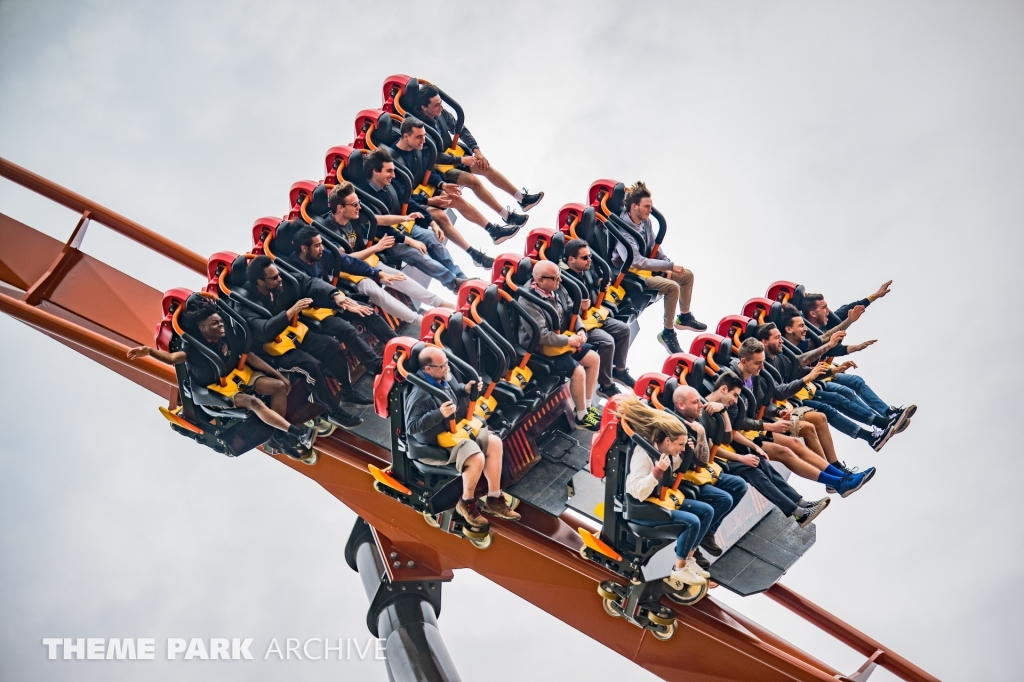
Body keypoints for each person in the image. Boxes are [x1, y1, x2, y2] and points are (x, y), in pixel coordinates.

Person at [127, 298, 315, 458]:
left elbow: (247, 356)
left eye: (220, 322)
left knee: (278, 386)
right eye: (215, 324)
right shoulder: (193, 348)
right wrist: (149, 351)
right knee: (253, 402)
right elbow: (172, 358)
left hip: (238, 375)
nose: (221, 326)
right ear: (202, 328)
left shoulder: (227, 335)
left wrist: (278, 375)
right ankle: (296, 433)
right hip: (217, 391)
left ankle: (279, 434)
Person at [727, 338, 873, 498]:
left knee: (805, 433)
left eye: (762, 362)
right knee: (788, 449)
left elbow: (766, 402)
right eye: (758, 363)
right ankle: (837, 481)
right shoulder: (731, 381)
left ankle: (839, 477)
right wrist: (771, 425)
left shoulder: (756, 374)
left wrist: (778, 412)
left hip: (760, 426)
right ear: (744, 361)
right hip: (744, 434)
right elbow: (737, 420)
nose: (762, 367)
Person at [237, 256, 366, 428]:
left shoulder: (282, 283)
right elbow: (264, 330)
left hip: (291, 334)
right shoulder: (244, 304)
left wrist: (334, 294)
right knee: (311, 365)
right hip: (272, 352)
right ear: (260, 282)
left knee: (331, 346)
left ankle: (347, 390)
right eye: (274, 277)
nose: (279, 278)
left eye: (279, 274)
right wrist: (291, 312)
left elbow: (309, 282)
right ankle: (333, 411)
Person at [405, 346, 521, 526]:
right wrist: (439, 414)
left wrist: (465, 389)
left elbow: (455, 391)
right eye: (442, 365)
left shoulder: (443, 377)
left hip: (454, 433)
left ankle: (494, 498)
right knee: (476, 457)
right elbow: (411, 427)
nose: (446, 368)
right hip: (435, 445)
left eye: (446, 363)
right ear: (428, 369)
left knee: (495, 442)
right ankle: (466, 502)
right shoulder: (419, 394)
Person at [697, 373, 829, 528]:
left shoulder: (718, 409)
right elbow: (712, 447)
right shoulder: (703, 410)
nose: (735, 400)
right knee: (751, 469)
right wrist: (740, 458)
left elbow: (729, 435)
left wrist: (754, 447)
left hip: (721, 455)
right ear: (723, 389)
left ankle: (800, 503)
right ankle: (797, 513)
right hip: (710, 461)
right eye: (734, 395)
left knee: (759, 461)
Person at [317, 181, 456, 329]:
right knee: (374, 290)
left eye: (359, 203)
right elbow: (346, 261)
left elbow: (379, 220)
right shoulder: (327, 230)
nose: (359, 207)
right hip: (347, 272)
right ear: (340, 208)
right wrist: (376, 248)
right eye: (355, 204)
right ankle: (419, 321)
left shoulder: (355, 213)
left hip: (367, 261)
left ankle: (440, 303)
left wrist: (406, 218)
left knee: (398, 276)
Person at [777, 306, 913, 450]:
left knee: (853, 384)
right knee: (836, 399)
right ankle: (880, 425)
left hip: (815, 380)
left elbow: (822, 340)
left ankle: (886, 417)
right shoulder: (781, 348)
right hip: (803, 390)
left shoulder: (801, 341)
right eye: (801, 326)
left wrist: (851, 322)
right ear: (788, 329)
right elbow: (802, 361)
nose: (805, 328)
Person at [618, 397, 715, 589]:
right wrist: (656, 473)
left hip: (659, 500)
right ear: (668, 440)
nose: (680, 448)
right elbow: (635, 490)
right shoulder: (643, 454)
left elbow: (673, 466)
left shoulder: (666, 452)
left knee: (706, 511)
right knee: (692, 521)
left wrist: (685, 453)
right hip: (642, 509)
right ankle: (678, 569)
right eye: (679, 444)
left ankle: (687, 559)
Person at [415, 84, 543, 223]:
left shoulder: (441, 113)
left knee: (484, 166)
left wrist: (476, 150)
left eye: (441, 103)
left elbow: (461, 130)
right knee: (473, 181)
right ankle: (507, 216)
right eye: (436, 105)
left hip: (454, 153)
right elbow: (430, 156)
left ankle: (522, 199)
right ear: (424, 108)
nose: (440, 107)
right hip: (440, 166)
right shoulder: (417, 127)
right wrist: (461, 160)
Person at [389, 116, 514, 256]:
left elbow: (426, 170)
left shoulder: (418, 148)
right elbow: (401, 195)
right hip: (411, 203)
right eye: (419, 137)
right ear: (406, 136)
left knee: (455, 198)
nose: (423, 140)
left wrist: (443, 185)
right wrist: (429, 201)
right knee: (441, 216)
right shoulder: (392, 163)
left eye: (424, 136)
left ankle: (493, 231)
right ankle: (474, 254)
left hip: (425, 191)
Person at [283, 224, 395, 374]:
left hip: (333, 300)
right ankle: (377, 367)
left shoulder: (321, 256)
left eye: (321, 244)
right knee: (346, 330)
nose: (321, 248)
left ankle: (396, 344)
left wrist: (377, 273)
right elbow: (313, 293)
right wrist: (342, 305)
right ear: (304, 248)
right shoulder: (293, 269)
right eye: (317, 246)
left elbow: (347, 262)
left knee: (368, 311)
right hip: (311, 311)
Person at [357, 146, 469, 293]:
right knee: (419, 254)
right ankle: (454, 283)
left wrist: (432, 223)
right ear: (376, 172)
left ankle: (461, 276)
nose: (393, 175)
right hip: (387, 238)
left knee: (432, 237)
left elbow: (408, 202)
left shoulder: (391, 184)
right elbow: (378, 226)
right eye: (389, 171)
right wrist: (409, 240)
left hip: (405, 226)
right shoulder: (362, 197)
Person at [612, 182, 706, 355]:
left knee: (687, 276)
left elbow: (655, 246)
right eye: (646, 207)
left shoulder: (645, 223)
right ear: (634, 206)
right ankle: (667, 332)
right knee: (672, 287)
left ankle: (684, 316)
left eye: (650, 207)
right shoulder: (623, 229)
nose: (650, 210)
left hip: (648, 268)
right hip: (630, 275)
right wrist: (667, 266)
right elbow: (635, 261)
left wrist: (667, 263)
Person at [516, 260, 602, 431]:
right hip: (540, 348)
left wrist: (581, 329)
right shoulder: (527, 301)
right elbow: (541, 335)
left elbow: (572, 309)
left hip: (562, 338)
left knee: (594, 359)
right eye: (555, 278)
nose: (560, 280)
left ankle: (585, 407)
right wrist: (569, 341)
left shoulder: (556, 287)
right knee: (578, 372)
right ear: (540, 280)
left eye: (559, 276)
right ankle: (581, 417)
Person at [671, 385, 750, 563]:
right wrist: (699, 434)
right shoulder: (677, 427)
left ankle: (708, 532)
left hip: (699, 472)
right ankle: (692, 546)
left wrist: (722, 412)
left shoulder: (698, 420)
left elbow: (726, 439)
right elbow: (702, 461)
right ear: (682, 405)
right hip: (683, 478)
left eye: (700, 400)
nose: (701, 404)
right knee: (723, 499)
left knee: (739, 485)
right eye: (695, 402)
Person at [563, 238, 635, 397]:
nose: (589, 260)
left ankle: (620, 371)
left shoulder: (586, 269)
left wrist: (601, 282)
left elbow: (595, 278)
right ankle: (606, 385)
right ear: (571, 259)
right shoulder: (564, 279)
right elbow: (564, 306)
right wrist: (578, 306)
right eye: (585, 258)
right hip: (579, 323)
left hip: (593, 315)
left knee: (624, 329)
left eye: (589, 256)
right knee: (607, 342)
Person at [802, 280, 893, 334]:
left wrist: (875, 296)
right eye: (823, 308)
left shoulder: (826, 326)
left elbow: (847, 310)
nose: (828, 311)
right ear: (812, 313)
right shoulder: (798, 319)